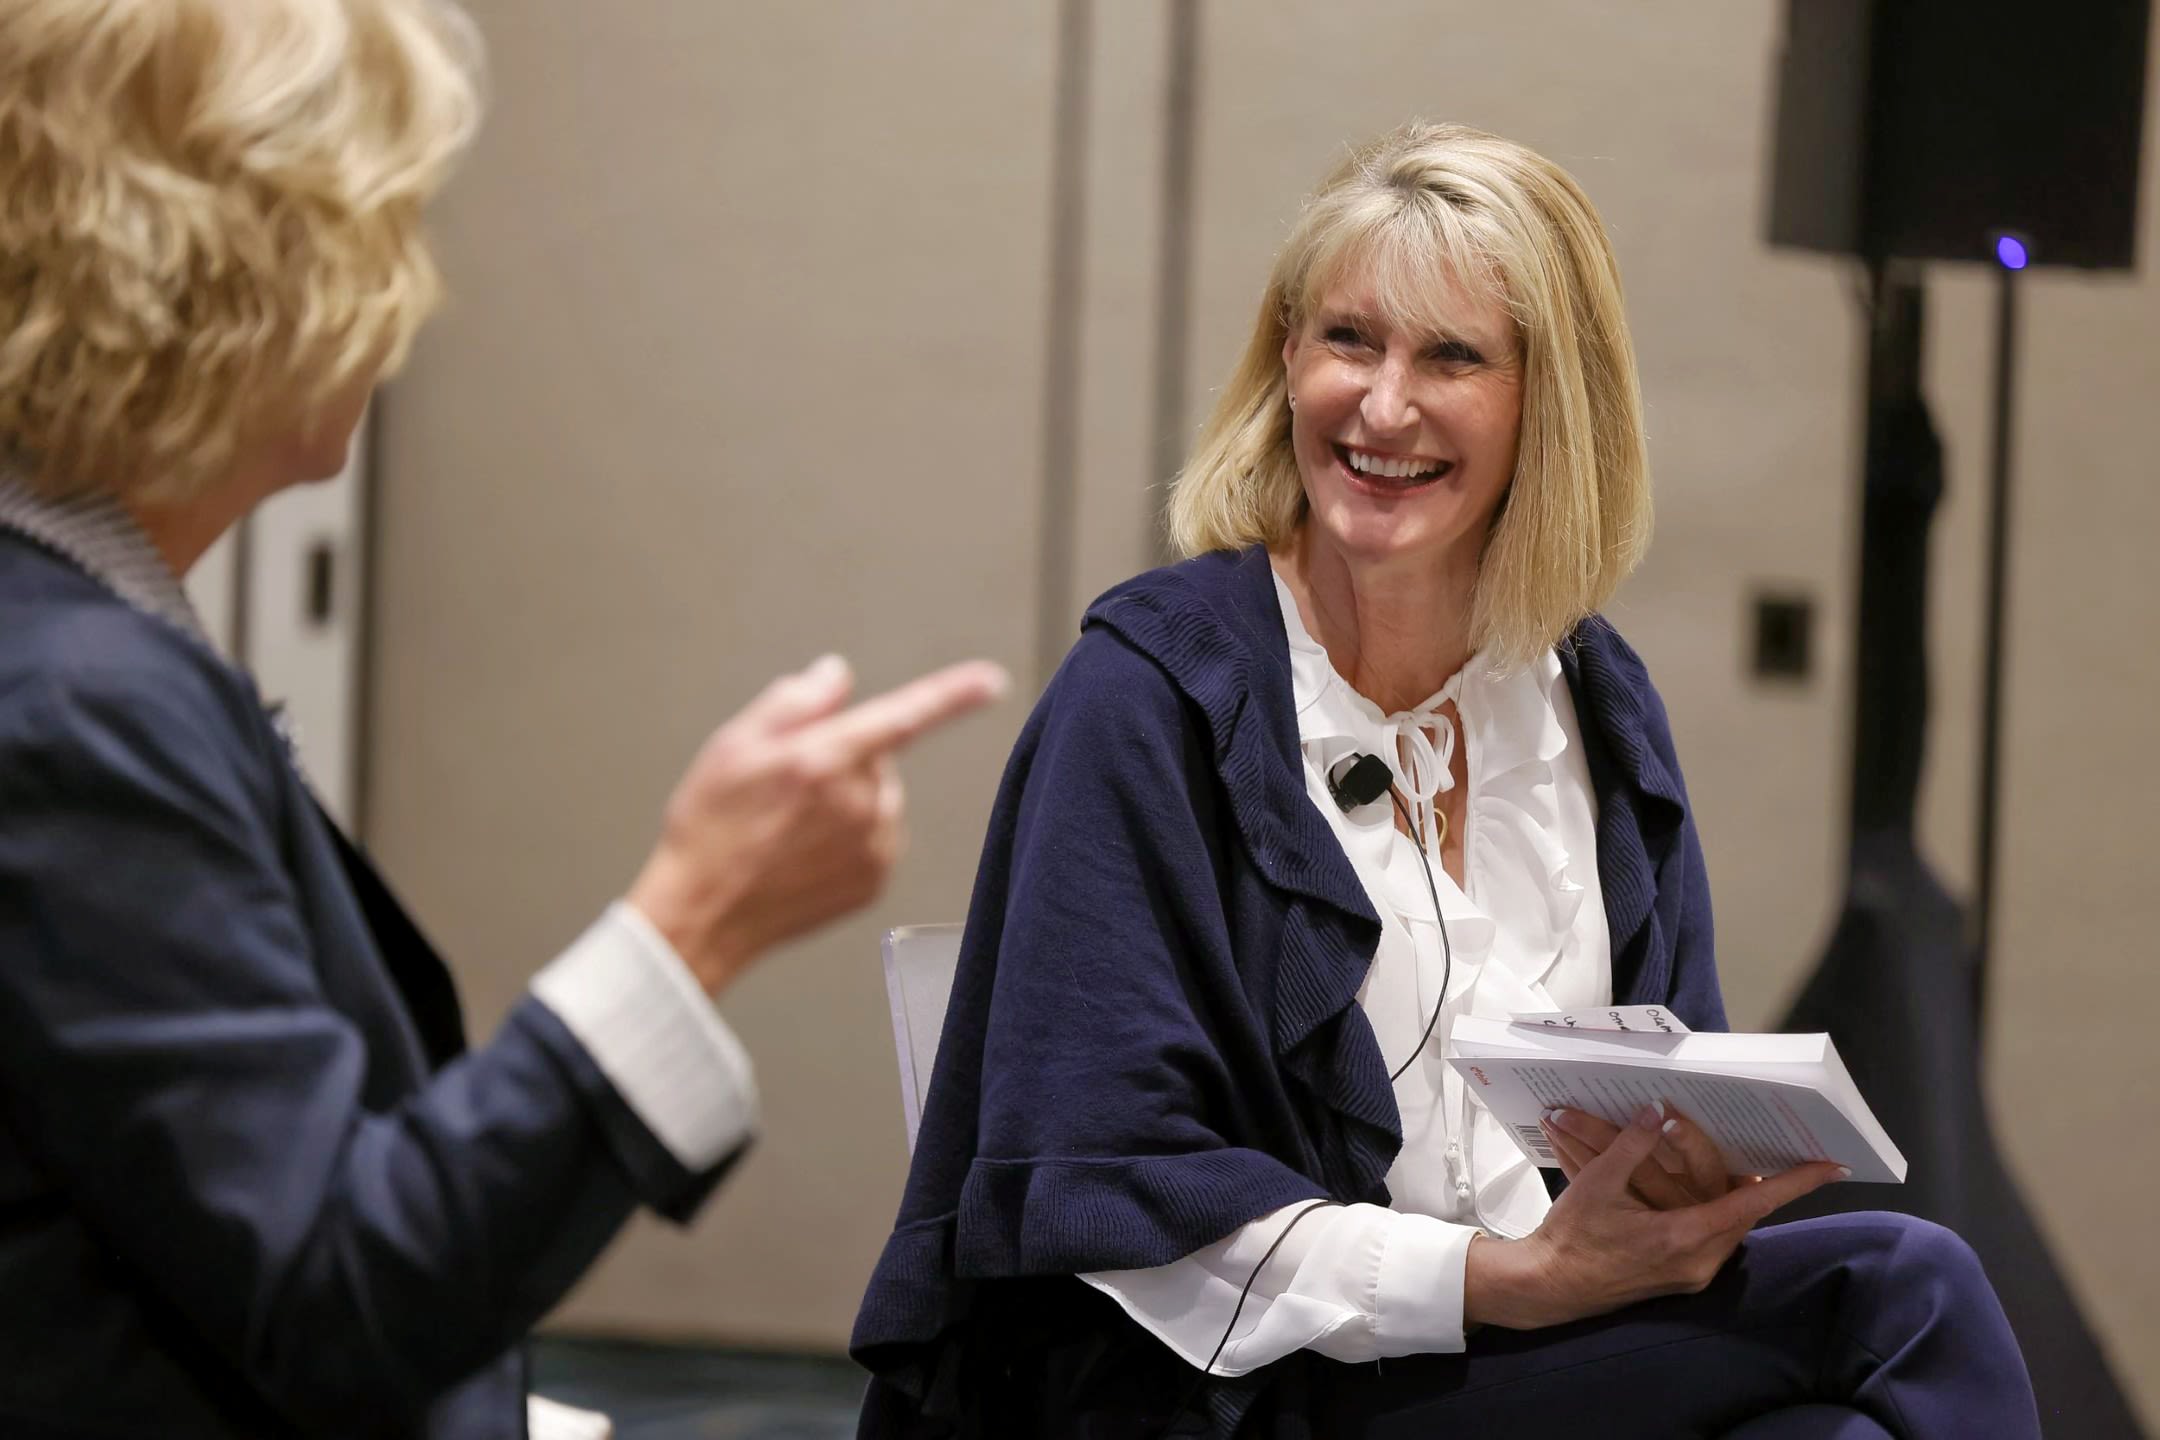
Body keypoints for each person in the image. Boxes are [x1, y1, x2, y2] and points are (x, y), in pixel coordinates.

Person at [851, 122, 2036, 1438]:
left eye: (1453, 356)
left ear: (1550, 404)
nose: (1385, 404)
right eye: (1348, 339)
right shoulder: (1153, 697)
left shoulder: (1593, 700)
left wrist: (1667, 1190)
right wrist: (1499, 1281)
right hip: (1242, 1395)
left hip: (1523, 1367)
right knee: (1905, 1285)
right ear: (1286, 359)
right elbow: (1102, 1185)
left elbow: (1664, 1076)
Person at [0, 3, 1006, 1437]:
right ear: (233, 267)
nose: (412, 288)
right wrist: (695, 918)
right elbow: (337, 1298)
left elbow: (177, 1254)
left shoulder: (80, 642)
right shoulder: (71, 707)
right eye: (384, 223)